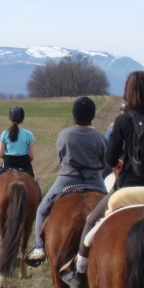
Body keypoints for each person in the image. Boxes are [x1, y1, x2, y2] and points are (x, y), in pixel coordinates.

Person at [62, 70, 144, 288]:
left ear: (128, 93)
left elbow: (111, 158)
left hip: (127, 189)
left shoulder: (123, 120)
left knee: (91, 221)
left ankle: (79, 271)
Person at [24, 96, 107, 265]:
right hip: (94, 180)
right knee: (113, 209)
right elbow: (103, 162)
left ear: (74, 115)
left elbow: (61, 158)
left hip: (68, 178)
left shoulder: (64, 134)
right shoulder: (99, 137)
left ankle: (39, 248)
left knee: (41, 210)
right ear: (92, 116)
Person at [0, 105, 38, 223]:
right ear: (23, 118)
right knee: (36, 187)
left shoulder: (4, 134)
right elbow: (31, 156)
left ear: (10, 118)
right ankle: (38, 212)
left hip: (7, 165)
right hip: (25, 165)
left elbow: (1, 154)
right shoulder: (28, 134)